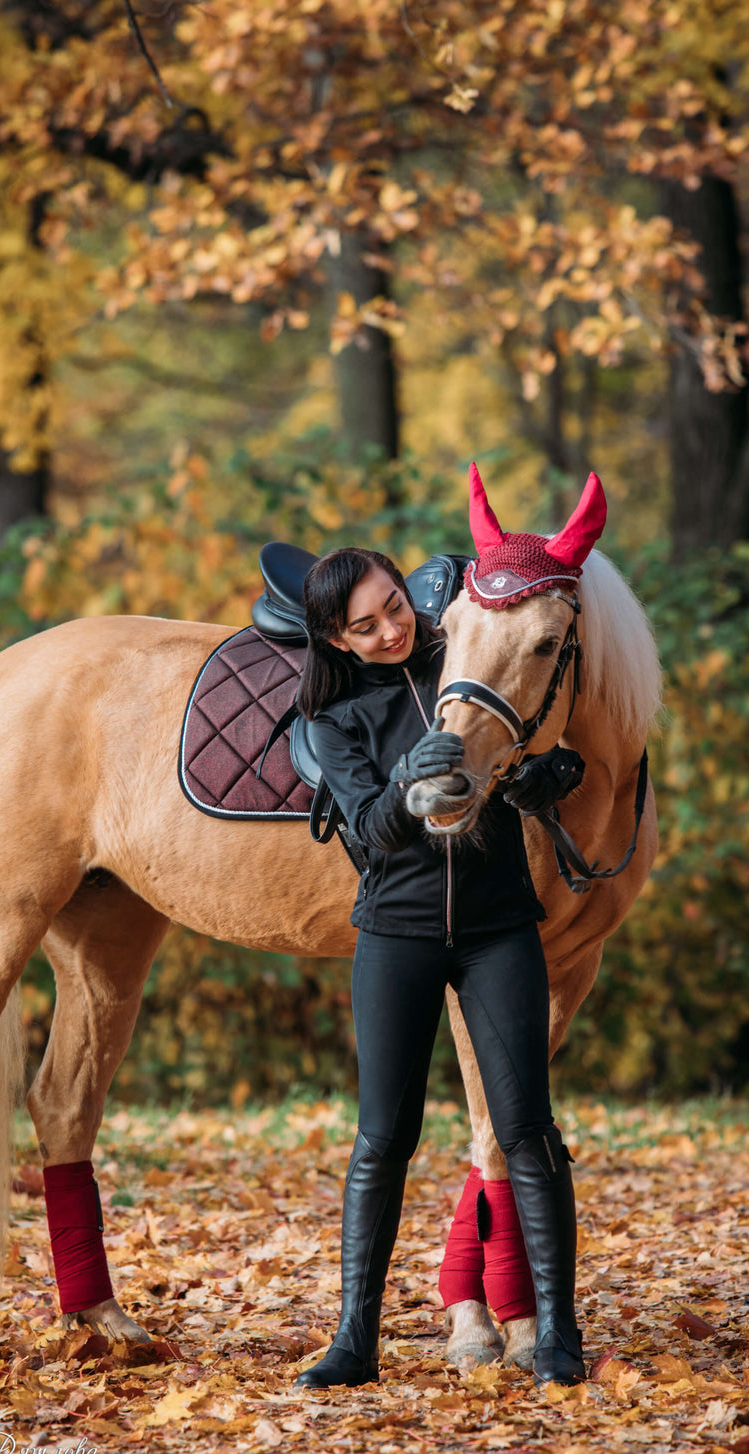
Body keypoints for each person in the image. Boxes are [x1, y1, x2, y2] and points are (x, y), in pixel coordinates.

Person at [294, 546, 585, 1390]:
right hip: (397, 934)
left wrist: (549, 775)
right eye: (365, 625)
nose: (392, 629)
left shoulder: (460, 651)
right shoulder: (333, 721)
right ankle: (354, 1343)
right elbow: (372, 832)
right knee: (385, 1139)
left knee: (529, 1130)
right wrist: (404, 784)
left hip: (499, 929)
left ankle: (559, 1336)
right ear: (338, 642)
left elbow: (530, 737)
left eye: (394, 605)